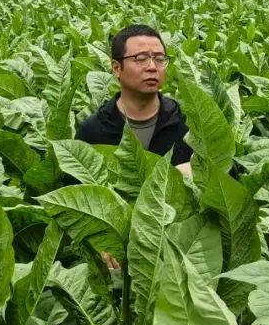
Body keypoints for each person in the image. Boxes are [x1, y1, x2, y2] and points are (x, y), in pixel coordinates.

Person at [76, 24, 194, 272]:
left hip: (181, 255)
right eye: (140, 58)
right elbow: (76, 200)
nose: (152, 67)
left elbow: (226, 179)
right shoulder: (93, 132)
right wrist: (98, 243)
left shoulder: (188, 124)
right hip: (118, 266)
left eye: (160, 59)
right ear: (116, 68)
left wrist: (197, 175)